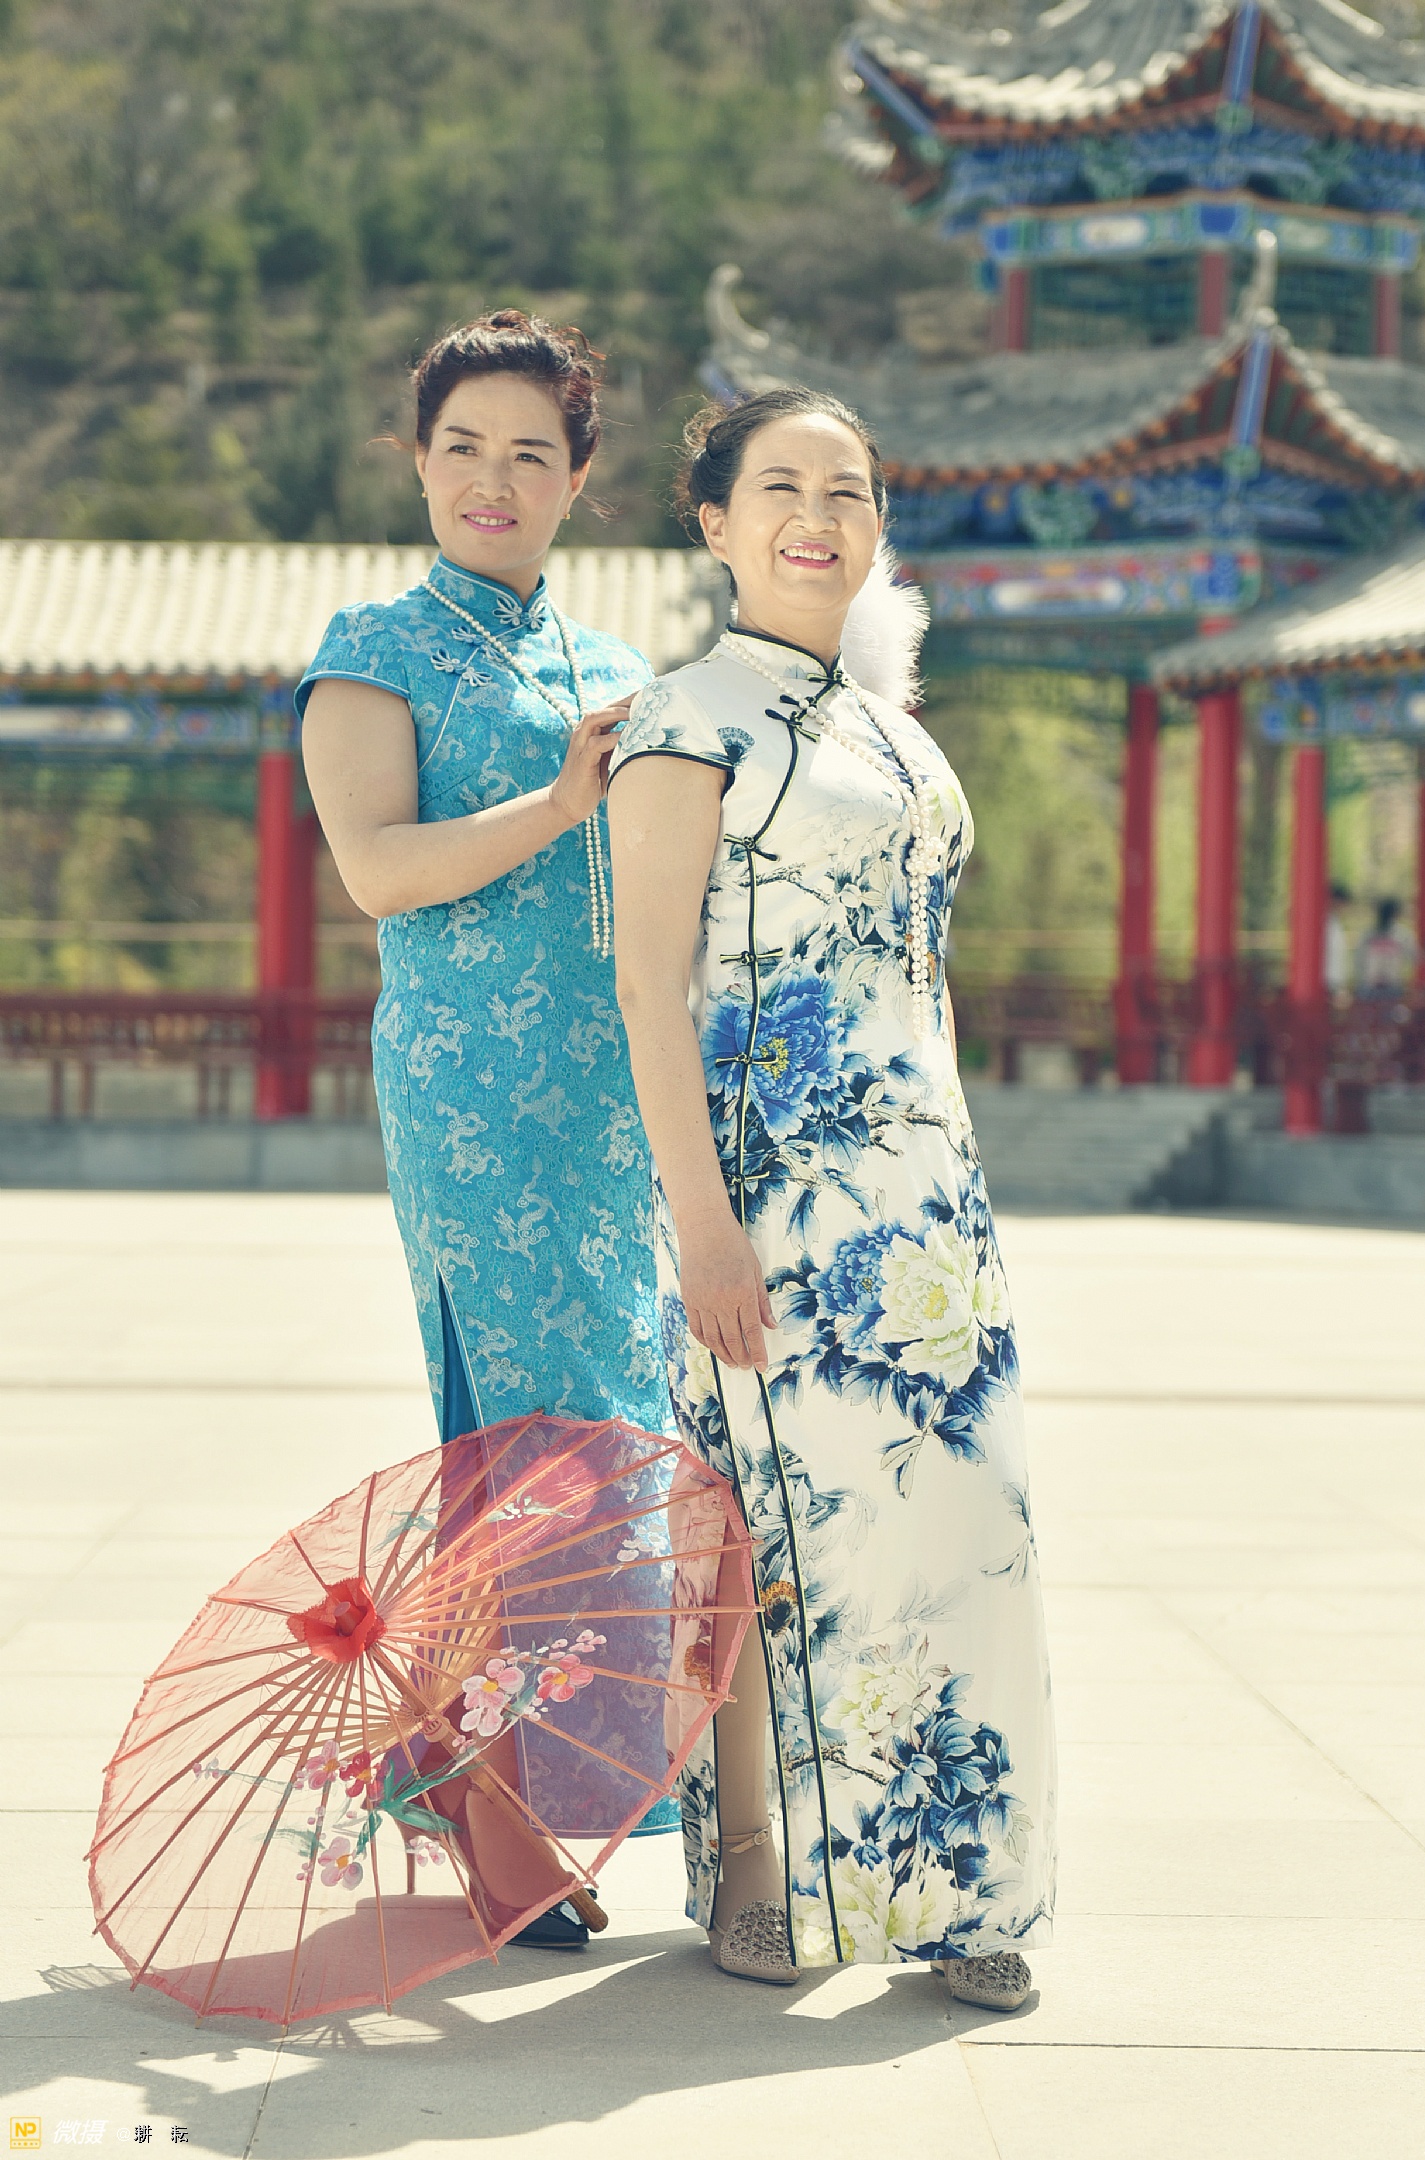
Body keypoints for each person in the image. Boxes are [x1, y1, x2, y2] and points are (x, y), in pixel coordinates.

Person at [606, 387, 1057, 2008]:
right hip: (772, 1207)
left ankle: (961, 1878)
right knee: (770, 1543)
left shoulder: (895, 729)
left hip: (928, 1208)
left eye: (850, 490)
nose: (820, 516)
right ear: (715, 522)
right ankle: (756, 1868)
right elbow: (648, 990)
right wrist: (702, 1225)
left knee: (958, 1527)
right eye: (782, 487)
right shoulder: (686, 722)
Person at [298, 309, 674, 1945]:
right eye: (462, 448)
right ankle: (494, 1809)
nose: (492, 480)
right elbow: (379, 870)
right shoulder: (369, 653)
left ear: (580, 479)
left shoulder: (620, 669)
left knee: (618, 1437)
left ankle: (492, 1773)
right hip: (474, 1103)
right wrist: (560, 801)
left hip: (616, 1101)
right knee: (517, 1441)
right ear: (417, 461)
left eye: (530, 453)